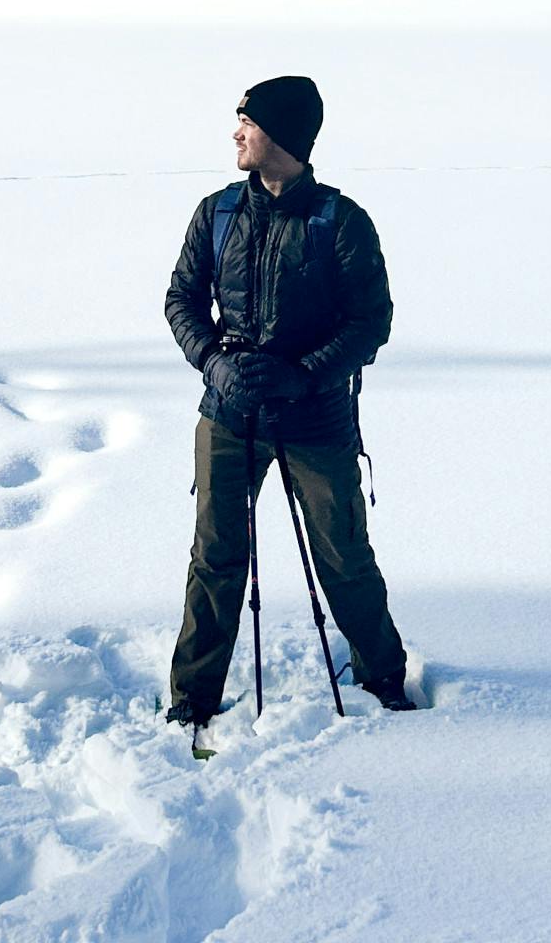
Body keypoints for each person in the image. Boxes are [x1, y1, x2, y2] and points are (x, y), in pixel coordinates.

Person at [164, 74, 414, 739]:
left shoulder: (340, 221)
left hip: (313, 417)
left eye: (247, 121)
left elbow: (370, 322)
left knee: (345, 555)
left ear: (283, 135)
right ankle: (192, 697)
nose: (236, 133)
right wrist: (216, 363)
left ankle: (383, 677)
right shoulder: (216, 213)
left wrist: (303, 377)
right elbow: (182, 300)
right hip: (228, 412)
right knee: (216, 556)